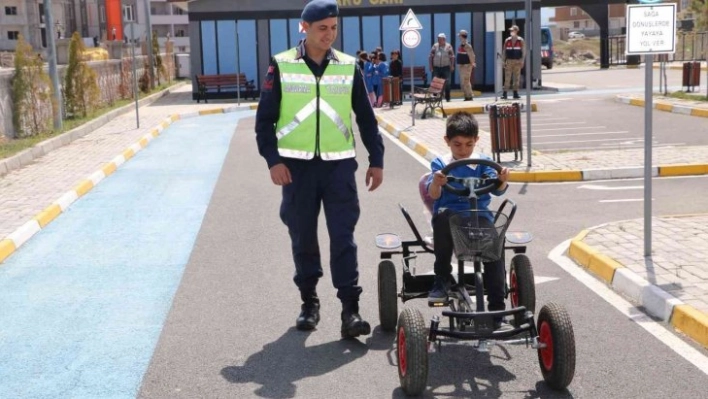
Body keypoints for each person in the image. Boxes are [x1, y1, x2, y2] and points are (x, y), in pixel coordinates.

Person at [254, 0, 384, 339]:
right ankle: (309, 302)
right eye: (322, 28)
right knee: (303, 237)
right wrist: (273, 160)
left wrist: (377, 159)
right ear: (305, 28)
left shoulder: (348, 66)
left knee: (343, 237)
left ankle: (350, 310)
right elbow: (264, 120)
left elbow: (366, 118)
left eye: (334, 28)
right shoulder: (281, 66)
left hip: (338, 167)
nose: (329, 34)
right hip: (296, 170)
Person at [425, 112, 511, 331]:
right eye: (457, 145)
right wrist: (437, 182)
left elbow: (499, 191)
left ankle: (497, 307)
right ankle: (442, 278)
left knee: (495, 241)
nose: (463, 150)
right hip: (451, 216)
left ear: (476, 142)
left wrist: (501, 181)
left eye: (468, 145)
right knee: (443, 218)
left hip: (479, 216)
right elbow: (434, 194)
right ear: (447, 141)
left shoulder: (484, 163)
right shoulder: (440, 163)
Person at [429, 33, 454, 102]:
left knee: (447, 82)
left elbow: (452, 57)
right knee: (435, 83)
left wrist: (452, 66)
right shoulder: (435, 46)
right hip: (436, 67)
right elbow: (431, 56)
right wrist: (431, 66)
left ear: (444, 39)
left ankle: (448, 98)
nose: (439, 40)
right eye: (438, 39)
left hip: (446, 67)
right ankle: (435, 98)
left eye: (440, 39)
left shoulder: (448, 46)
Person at [502, 25, 525, 100]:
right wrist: (503, 61)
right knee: (507, 77)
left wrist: (522, 60)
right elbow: (504, 51)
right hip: (509, 61)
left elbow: (523, 51)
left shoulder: (520, 40)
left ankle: (515, 93)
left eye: (513, 30)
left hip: (517, 61)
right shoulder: (507, 40)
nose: (511, 32)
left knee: (516, 77)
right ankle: (505, 93)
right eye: (511, 30)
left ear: (516, 31)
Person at [456, 29, 477, 101]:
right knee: (464, 81)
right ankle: (467, 95)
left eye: (460, 36)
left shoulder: (467, 45)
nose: (459, 37)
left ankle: (469, 96)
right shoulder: (462, 45)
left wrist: (472, 63)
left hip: (466, 66)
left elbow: (472, 55)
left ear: (462, 36)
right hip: (462, 66)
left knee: (465, 81)